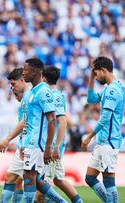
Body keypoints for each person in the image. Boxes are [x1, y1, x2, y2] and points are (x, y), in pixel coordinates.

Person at [21, 58, 66, 202]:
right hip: (30, 141)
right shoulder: (33, 91)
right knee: (36, 178)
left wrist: (48, 147)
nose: (23, 73)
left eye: (26, 70)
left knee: (30, 176)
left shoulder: (43, 92)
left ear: (34, 72)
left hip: (37, 143)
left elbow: (52, 119)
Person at [82, 56, 125, 203]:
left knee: (108, 181)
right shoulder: (109, 88)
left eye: (96, 73)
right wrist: (90, 78)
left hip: (109, 142)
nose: (95, 77)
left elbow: (106, 117)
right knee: (89, 178)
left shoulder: (113, 90)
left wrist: (89, 136)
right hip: (102, 142)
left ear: (103, 70)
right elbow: (91, 99)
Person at [41, 66, 83, 203]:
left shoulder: (54, 96)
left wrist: (56, 146)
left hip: (53, 144)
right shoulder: (57, 94)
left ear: (44, 79)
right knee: (57, 180)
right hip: (54, 143)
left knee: (43, 183)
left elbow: (63, 121)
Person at [0, 68, 30, 203]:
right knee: (12, 178)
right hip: (24, 144)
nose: (12, 88)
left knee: (38, 186)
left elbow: (26, 121)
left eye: (13, 84)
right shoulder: (25, 98)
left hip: (32, 146)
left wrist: (8, 139)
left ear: (22, 80)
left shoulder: (29, 96)